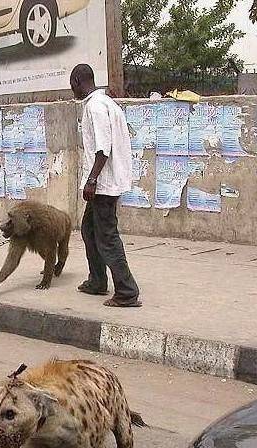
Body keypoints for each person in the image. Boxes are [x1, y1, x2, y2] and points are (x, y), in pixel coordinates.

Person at [70, 63, 141, 308]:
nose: (73, 91)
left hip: (103, 183)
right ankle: (97, 280)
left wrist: (92, 180)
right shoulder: (109, 103)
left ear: (79, 81)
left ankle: (127, 291)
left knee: (107, 237)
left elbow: (103, 149)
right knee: (89, 230)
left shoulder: (95, 107)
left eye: (72, 85)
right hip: (107, 182)